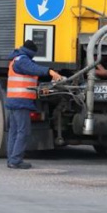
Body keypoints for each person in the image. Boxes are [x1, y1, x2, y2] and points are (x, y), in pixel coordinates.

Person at [6, 40, 63, 169]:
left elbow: (28, 78)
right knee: (23, 132)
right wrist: (50, 72)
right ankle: (15, 160)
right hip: (21, 102)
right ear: (31, 52)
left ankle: (12, 159)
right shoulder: (22, 60)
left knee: (14, 132)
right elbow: (34, 69)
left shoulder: (17, 59)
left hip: (15, 100)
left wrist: (40, 88)